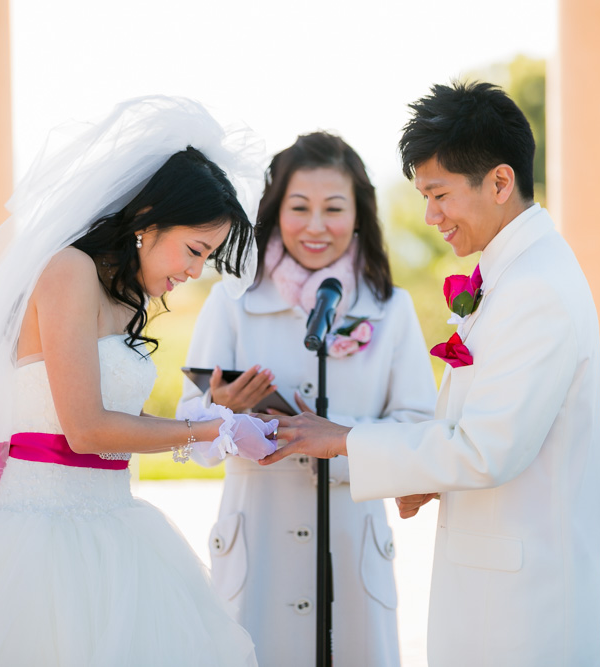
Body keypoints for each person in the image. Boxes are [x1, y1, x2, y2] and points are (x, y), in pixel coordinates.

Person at [0, 97, 276, 666]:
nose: (194, 270)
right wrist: (214, 429)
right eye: (194, 250)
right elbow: (85, 428)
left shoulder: (122, 299)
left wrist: (217, 423)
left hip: (116, 526)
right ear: (148, 219)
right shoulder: (67, 272)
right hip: (37, 537)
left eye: (205, 257)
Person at [260, 82, 600, 666]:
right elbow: (494, 429)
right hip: (495, 589)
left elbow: (485, 448)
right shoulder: (513, 272)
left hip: (522, 611)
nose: (430, 215)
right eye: (424, 195)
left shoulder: (536, 289)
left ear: (499, 182)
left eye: (439, 194)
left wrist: (343, 439)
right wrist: (427, 476)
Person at [177, 132, 436, 666]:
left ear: (359, 215)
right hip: (257, 543)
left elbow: (419, 431)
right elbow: (188, 430)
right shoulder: (232, 302)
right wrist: (221, 412)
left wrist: (336, 437)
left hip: (352, 542)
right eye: (299, 208)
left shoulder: (392, 310)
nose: (316, 226)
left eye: (333, 208)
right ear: (275, 212)